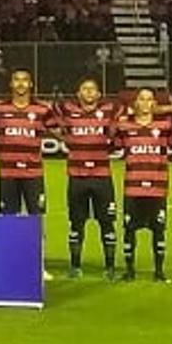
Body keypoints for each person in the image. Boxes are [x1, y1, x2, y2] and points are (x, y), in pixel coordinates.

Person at [54, 75, 124, 280]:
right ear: (78, 93)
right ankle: (75, 267)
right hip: (77, 176)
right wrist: (69, 139)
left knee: (107, 222)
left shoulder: (109, 111)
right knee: (76, 223)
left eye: (92, 89)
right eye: (85, 89)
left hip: (102, 177)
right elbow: (51, 121)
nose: (89, 92)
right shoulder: (68, 110)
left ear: (99, 94)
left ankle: (110, 268)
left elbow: (126, 118)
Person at [115, 87, 172, 281]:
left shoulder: (165, 126)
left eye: (150, 99)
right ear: (136, 104)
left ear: (154, 104)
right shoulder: (125, 128)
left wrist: (166, 110)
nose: (146, 103)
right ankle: (129, 270)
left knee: (158, 230)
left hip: (157, 188)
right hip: (133, 187)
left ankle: (159, 271)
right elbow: (113, 141)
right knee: (130, 229)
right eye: (142, 99)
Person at [0, 68, 55, 218]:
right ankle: (9, 242)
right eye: (17, 80)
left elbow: (64, 134)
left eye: (24, 80)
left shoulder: (42, 110)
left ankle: (39, 242)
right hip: (7, 173)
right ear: (11, 84)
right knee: (8, 220)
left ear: (30, 84)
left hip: (33, 174)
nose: (21, 83)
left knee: (37, 218)